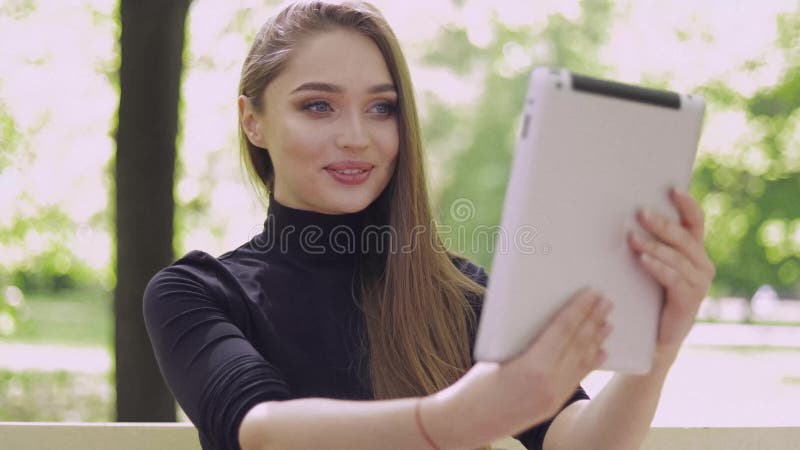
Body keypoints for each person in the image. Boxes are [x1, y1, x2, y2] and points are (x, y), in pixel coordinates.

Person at [142, 1, 716, 449]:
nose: (356, 137)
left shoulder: (457, 294)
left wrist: (659, 347)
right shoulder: (193, 293)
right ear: (254, 121)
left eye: (381, 107)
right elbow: (263, 432)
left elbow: (580, 443)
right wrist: (457, 418)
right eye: (318, 105)